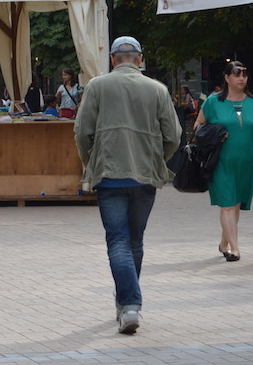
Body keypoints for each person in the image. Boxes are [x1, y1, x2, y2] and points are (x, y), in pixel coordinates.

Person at [75, 36, 181, 334]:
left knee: (118, 240)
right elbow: (173, 135)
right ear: (140, 59)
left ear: (112, 59)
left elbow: (82, 132)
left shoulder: (97, 86)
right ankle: (128, 305)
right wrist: (157, 158)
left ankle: (129, 303)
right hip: (145, 174)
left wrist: (90, 162)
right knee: (135, 240)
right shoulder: (157, 89)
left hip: (109, 173)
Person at [194, 61, 253, 262]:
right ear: (227, 78)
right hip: (220, 160)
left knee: (235, 205)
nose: (241, 78)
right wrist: (213, 135)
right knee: (227, 204)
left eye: (244, 74)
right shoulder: (213, 102)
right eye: (237, 74)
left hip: (246, 162)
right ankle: (235, 248)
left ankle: (224, 242)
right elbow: (198, 125)